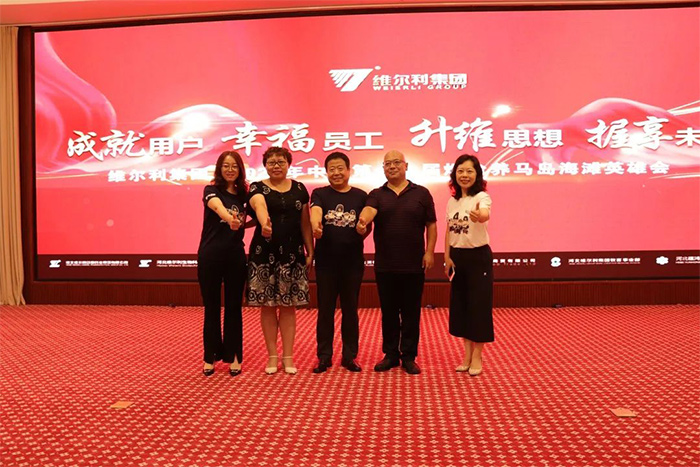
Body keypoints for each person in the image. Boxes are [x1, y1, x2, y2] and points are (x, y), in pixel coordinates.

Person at [356, 149, 437, 375]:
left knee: (411, 312)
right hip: (386, 264)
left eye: (396, 162)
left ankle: (409, 356)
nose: (392, 167)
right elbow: (369, 211)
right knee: (389, 312)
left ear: (406, 166)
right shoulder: (377, 194)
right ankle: (390, 354)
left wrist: (430, 252)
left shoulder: (421, 193)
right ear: (383, 168)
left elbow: (431, 224)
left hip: (414, 264)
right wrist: (362, 221)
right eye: (387, 164)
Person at [247, 146, 313, 375]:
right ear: (265, 165)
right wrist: (264, 223)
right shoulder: (257, 187)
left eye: (281, 162)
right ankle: (272, 356)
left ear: (288, 164)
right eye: (271, 162)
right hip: (264, 254)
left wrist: (310, 249)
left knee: (288, 306)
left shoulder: (300, 188)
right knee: (268, 306)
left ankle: (288, 356)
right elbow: (259, 205)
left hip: (292, 255)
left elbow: (305, 222)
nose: (276, 166)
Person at [310, 152, 370, 373]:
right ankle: (324, 356)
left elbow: (366, 223)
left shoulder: (360, 196)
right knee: (325, 310)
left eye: (340, 168)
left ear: (348, 170)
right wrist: (316, 226)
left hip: (352, 263)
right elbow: (315, 212)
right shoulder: (320, 193)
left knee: (350, 310)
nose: (336, 173)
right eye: (331, 169)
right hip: (326, 263)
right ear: (326, 172)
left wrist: (363, 228)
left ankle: (349, 356)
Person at [197, 150, 248, 377]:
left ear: (240, 170)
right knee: (212, 307)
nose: (230, 170)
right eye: (226, 166)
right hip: (210, 256)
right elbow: (217, 207)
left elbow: (254, 213)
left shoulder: (244, 194)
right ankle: (210, 357)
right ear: (219, 169)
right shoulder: (211, 191)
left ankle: (234, 356)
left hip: (235, 256)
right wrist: (230, 219)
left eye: (234, 166)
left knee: (234, 307)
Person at [443, 154, 494, 376]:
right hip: (457, 257)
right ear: (455, 174)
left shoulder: (482, 197)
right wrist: (447, 257)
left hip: (478, 257)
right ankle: (466, 355)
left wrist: (479, 215)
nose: (464, 175)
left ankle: (477, 356)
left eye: (469, 171)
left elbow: (484, 214)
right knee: (462, 307)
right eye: (460, 171)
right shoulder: (452, 201)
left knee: (478, 307)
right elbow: (449, 230)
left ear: (477, 175)